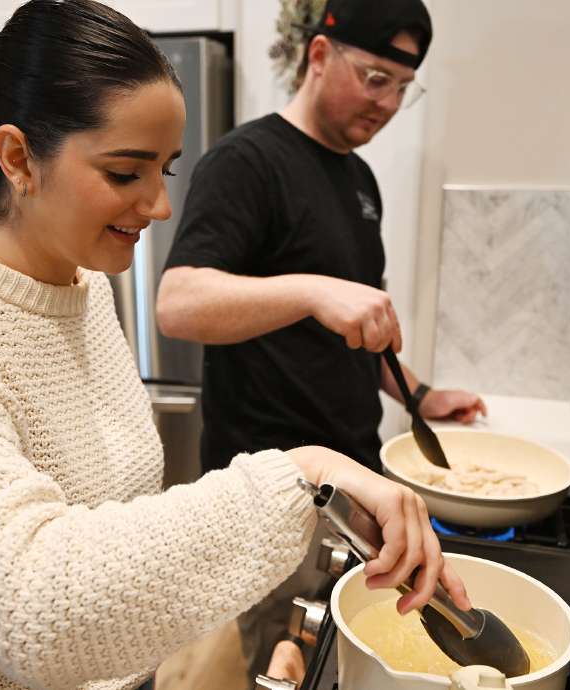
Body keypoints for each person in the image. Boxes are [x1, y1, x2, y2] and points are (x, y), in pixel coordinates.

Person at [0, 2, 470, 689]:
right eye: (124, 173)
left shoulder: (83, 292)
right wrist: (301, 474)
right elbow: (33, 611)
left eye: (163, 171)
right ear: (18, 158)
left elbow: (106, 523)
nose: (160, 206)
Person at [156, 0, 488, 679]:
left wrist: (420, 394)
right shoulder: (246, 162)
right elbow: (177, 304)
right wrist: (311, 288)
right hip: (272, 496)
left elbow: (356, 333)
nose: (390, 103)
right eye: (374, 79)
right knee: (276, 665)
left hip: (353, 486)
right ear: (318, 55)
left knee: (330, 664)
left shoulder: (358, 179)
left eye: (403, 86)